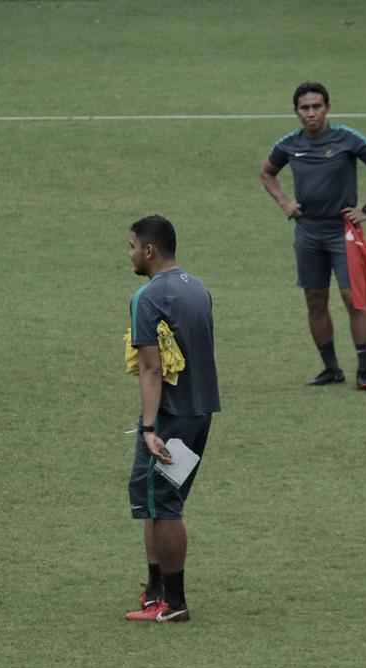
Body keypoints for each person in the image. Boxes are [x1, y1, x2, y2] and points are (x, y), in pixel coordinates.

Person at [259, 82, 366, 390]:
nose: (311, 113)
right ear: (296, 112)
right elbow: (267, 172)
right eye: (305, 108)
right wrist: (285, 203)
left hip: (342, 231)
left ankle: (364, 370)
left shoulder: (347, 138)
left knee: (352, 298)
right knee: (315, 299)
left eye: (317, 106)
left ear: (328, 108)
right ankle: (332, 369)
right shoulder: (289, 144)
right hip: (307, 231)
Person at [122, 216, 219, 623]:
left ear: (149, 250)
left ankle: (174, 604)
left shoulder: (148, 297)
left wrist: (147, 428)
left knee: (165, 504)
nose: (129, 253)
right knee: (154, 501)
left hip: (170, 416)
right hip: (200, 411)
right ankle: (155, 591)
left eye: (131, 246)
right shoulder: (198, 288)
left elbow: (151, 368)